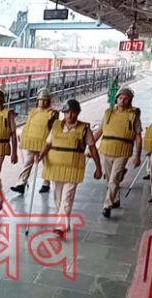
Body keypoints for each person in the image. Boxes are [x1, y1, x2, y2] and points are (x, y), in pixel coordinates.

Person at [37, 99, 102, 239]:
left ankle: (60, 226)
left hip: (74, 168)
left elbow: (92, 148)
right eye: (67, 112)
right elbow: (48, 144)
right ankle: (64, 221)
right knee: (57, 196)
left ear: (78, 113)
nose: (70, 115)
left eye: (73, 112)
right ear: (63, 114)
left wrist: (98, 168)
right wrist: (41, 155)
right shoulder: (55, 127)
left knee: (67, 198)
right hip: (56, 167)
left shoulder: (84, 129)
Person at [93, 87, 142, 218]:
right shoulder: (108, 113)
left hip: (123, 151)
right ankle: (115, 200)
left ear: (130, 101)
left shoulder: (133, 115)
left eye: (126, 99)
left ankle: (107, 205)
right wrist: (89, 147)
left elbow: (138, 136)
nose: (122, 101)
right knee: (110, 178)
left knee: (113, 179)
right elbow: (99, 131)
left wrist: (138, 155)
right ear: (117, 98)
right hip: (107, 149)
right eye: (121, 98)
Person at [11, 88, 58, 195]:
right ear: (38, 100)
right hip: (32, 142)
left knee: (47, 164)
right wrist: (22, 135)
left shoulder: (53, 113)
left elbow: (54, 130)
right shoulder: (32, 112)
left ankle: (46, 184)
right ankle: (21, 184)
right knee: (28, 163)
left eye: (46, 100)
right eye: (41, 100)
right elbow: (29, 125)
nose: (43, 102)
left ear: (49, 101)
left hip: (45, 143)